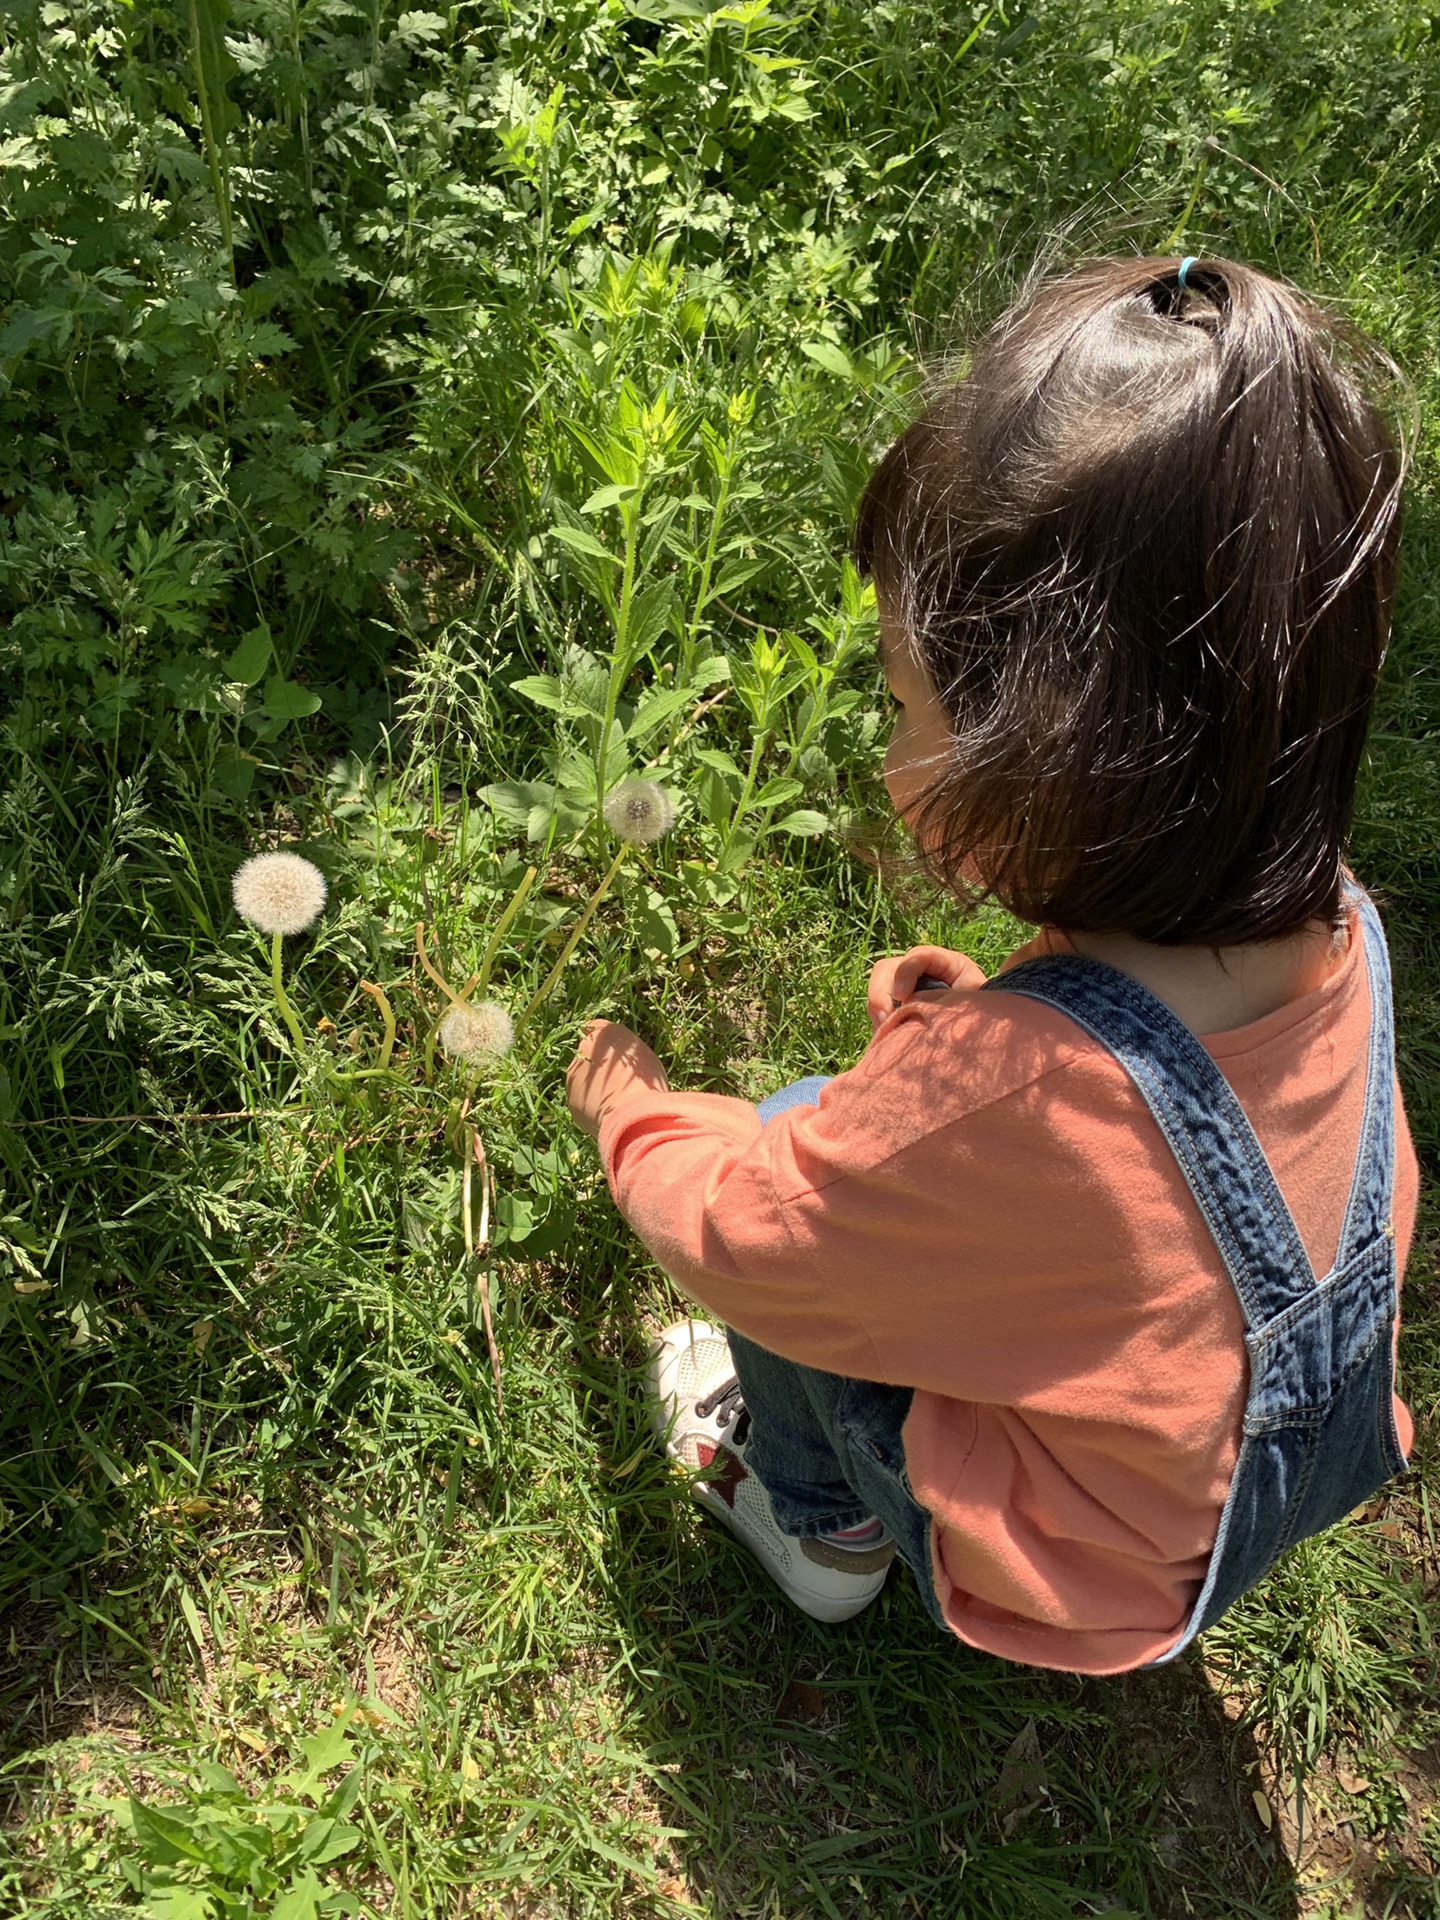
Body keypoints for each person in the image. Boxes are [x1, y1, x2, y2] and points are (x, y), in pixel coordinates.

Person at [564, 255, 1418, 1675]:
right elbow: (1158, 1159)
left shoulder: (1006, 1102)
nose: (887, 743)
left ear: (1057, 757)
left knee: (783, 1127)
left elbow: (750, 1235)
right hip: (1243, 1493)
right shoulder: (1340, 929)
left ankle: (819, 1522)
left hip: (1080, 1578)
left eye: (902, 699)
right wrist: (983, 1025)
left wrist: (635, 1116)